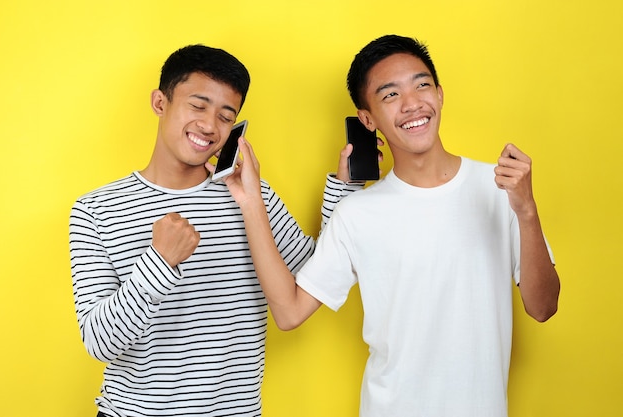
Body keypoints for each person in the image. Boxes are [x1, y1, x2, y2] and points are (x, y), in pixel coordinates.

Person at [225, 34, 561, 417]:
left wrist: (527, 211)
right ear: (367, 119)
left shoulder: (500, 188)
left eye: (422, 85)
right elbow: (288, 312)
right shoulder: (357, 213)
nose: (412, 104)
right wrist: (251, 202)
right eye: (390, 95)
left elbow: (543, 306)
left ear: (440, 94)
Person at [69, 44, 363, 417]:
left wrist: (345, 186)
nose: (209, 126)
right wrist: (159, 264)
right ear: (160, 102)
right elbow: (99, 343)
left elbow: (318, 269)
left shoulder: (251, 195)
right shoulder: (95, 210)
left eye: (226, 116)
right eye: (197, 105)